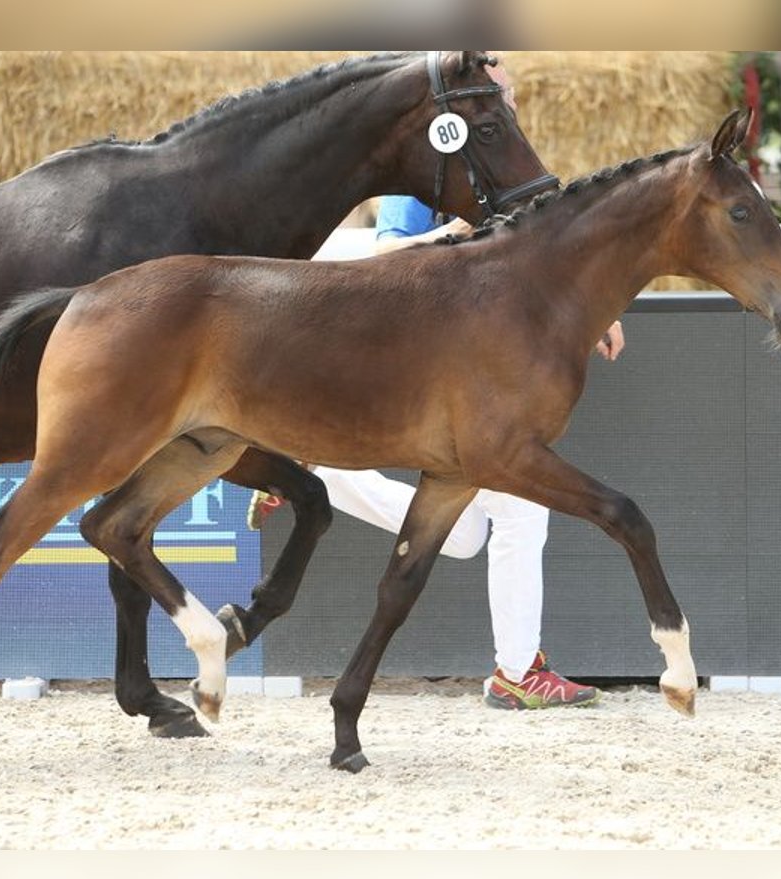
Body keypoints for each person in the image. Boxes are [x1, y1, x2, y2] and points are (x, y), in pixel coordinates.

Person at [249, 59, 626, 710]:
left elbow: (541, 258)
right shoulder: (432, 164)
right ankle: (516, 671)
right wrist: (455, 234)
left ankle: (320, 474)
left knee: (464, 536)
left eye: (507, 93)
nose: (508, 100)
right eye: (499, 91)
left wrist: (594, 315)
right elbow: (388, 262)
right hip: (429, 364)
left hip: (479, 367)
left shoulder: (506, 166)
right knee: (518, 509)